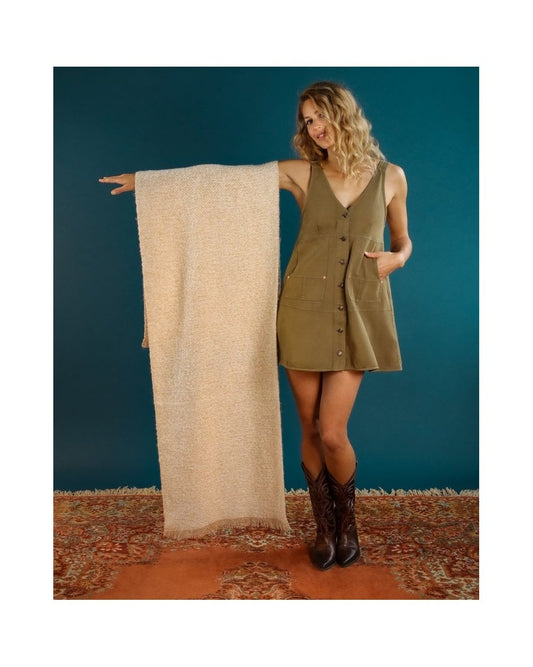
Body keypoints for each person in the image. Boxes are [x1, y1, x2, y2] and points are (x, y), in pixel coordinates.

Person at [99, 81, 412, 571]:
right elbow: (224, 182)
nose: (315, 127)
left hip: (358, 313)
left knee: (333, 432)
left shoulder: (391, 177)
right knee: (309, 426)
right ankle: (325, 529)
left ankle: (348, 526)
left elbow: (403, 239)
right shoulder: (303, 173)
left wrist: (399, 257)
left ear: (344, 113)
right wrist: (148, 184)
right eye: (307, 120)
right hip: (302, 312)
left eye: (321, 116)